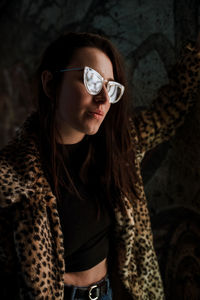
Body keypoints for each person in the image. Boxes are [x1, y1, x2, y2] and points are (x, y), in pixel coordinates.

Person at [0, 31, 200, 300]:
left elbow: (169, 110)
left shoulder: (119, 147)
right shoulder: (12, 175)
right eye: (91, 81)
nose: (104, 99)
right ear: (50, 84)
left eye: (112, 87)